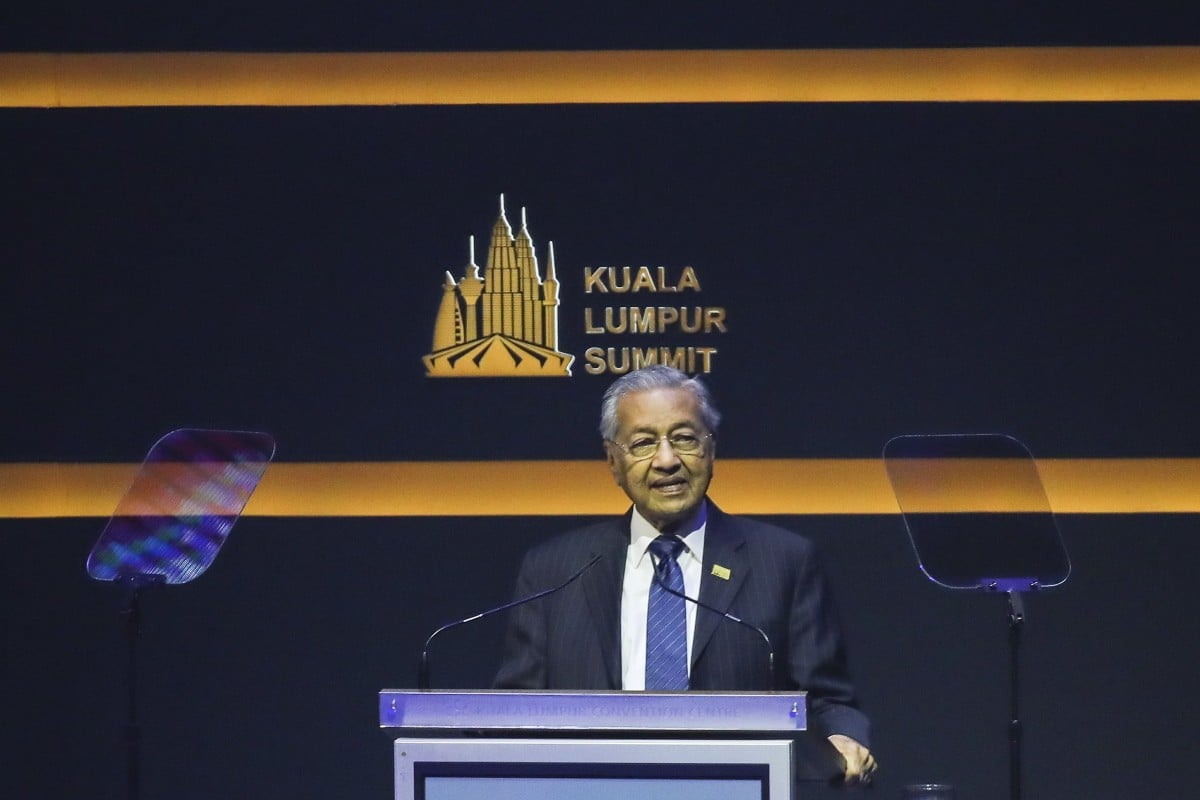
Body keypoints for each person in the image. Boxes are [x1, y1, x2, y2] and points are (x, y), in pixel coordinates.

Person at [494, 365, 877, 785]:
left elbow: (827, 700)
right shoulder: (555, 568)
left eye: (684, 439)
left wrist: (841, 736)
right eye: (642, 443)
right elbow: (514, 711)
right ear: (612, 461)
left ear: (711, 450)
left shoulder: (785, 561)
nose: (666, 460)